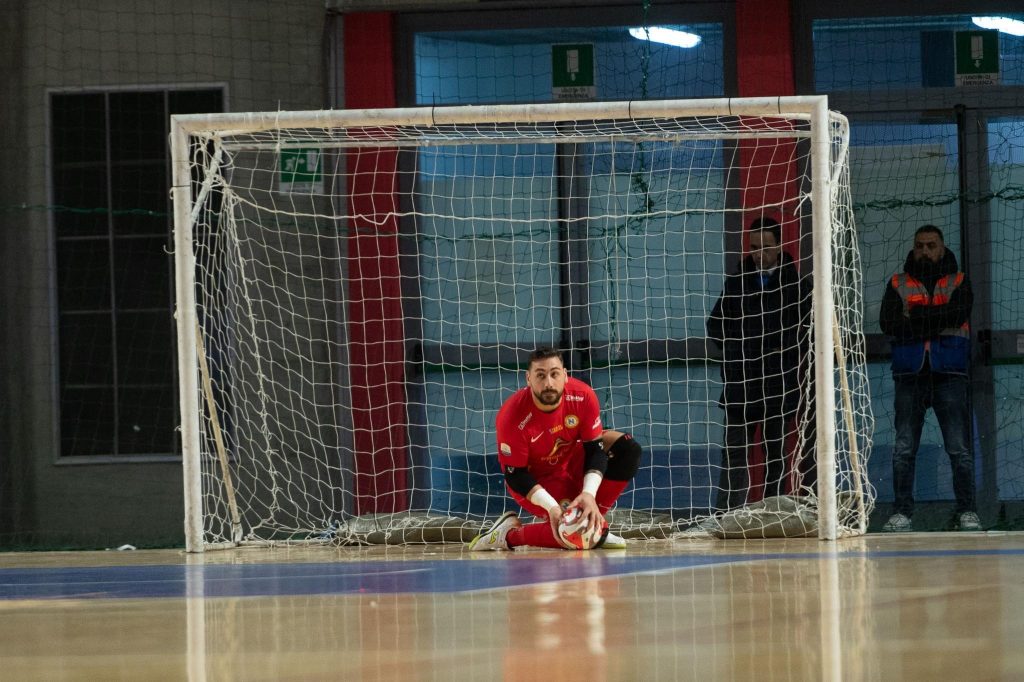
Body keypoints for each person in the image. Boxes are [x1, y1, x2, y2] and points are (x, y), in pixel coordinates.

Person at [469, 346, 642, 551]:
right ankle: (508, 535)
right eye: (540, 375)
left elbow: (595, 450)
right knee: (569, 534)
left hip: (570, 463)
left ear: (565, 375)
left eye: (554, 374)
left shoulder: (582, 396)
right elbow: (515, 476)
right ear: (528, 379)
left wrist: (588, 494)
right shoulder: (512, 416)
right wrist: (551, 507)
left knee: (628, 448)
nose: (548, 383)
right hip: (535, 483)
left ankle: (594, 525)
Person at [879, 225, 980, 532]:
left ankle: (967, 511)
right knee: (904, 448)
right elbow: (889, 323)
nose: (925, 251)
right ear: (913, 247)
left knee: (958, 448)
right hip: (910, 374)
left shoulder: (960, 281)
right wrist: (935, 318)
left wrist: (916, 315)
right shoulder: (897, 282)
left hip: (949, 373)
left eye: (931, 245)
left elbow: (957, 316)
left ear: (942, 247)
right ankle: (902, 512)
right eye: (920, 245)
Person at [706, 216, 812, 512]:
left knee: (775, 453)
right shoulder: (737, 283)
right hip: (741, 384)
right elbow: (715, 325)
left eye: (765, 247)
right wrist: (739, 352)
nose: (759, 254)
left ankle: (772, 511)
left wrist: (783, 352)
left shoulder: (796, 286)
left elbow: (809, 331)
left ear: (779, 247)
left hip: (778, 384)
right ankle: (727, 513)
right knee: (735, 454)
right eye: (754, 247)